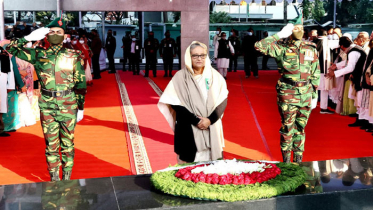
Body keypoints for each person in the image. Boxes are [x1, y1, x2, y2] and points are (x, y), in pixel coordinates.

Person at [7, 17, 87, 181]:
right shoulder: (38, 54)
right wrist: (28, 38)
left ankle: (66, 177)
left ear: (65, 36)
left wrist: (81, 107)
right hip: (47, 105)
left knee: (68, 145)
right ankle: (54, 179)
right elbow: (10, 48)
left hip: (68, 104)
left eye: (59, 32)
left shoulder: (74, 55)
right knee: (51, 145)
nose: (56, 35)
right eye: (52, 32)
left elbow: (80, 83)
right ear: (46, 36)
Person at [254, 15, 320, 163]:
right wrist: (279, 35)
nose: (300, 31)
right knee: (288, 128)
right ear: (289, 30)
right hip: (288, 93)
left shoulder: (310, 48)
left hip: (306, 93)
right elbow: (259, 46)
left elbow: (315, 71)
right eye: (296, 28)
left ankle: (298, 160)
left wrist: (315, 94)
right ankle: (286, 162)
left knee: (301, 128)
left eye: (302, 28)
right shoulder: (281, 48)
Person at [158, 41, 228, 164]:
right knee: (187, 168)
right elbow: (174, 103)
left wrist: (209, 120)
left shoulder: (216, 77)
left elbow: (222, 101)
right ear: (188, 57)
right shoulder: (180, 77)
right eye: (195, 55)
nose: (199, 58)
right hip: (188, 127)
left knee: (212, 169)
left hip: (211, 126)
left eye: (202, 55)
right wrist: (197, 121)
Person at [327, 34, 367, 127]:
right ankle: (360, 119)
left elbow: (350, 67)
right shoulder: (354, 49)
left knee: (360, 100)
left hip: (360, 78)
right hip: (359, 77)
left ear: (342, 46)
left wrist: (335, 73)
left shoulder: (352, 52)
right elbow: (347, 63)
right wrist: (336, 66)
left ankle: (363, 120)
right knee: (359, 99)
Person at [314, 28, 339, 114]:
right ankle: (323, 108)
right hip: (324, 69)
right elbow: (340, 43)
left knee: (313, 88)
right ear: (326, 34)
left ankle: (309, 107)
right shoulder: (327, 42)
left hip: (313, 69)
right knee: (324, 89)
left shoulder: (312, 42)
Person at [0, 46, 16, 137]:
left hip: (1, 84)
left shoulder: (4, 54)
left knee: (0, 109)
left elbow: (10, 72)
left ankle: (0, 130)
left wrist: (10, 86)